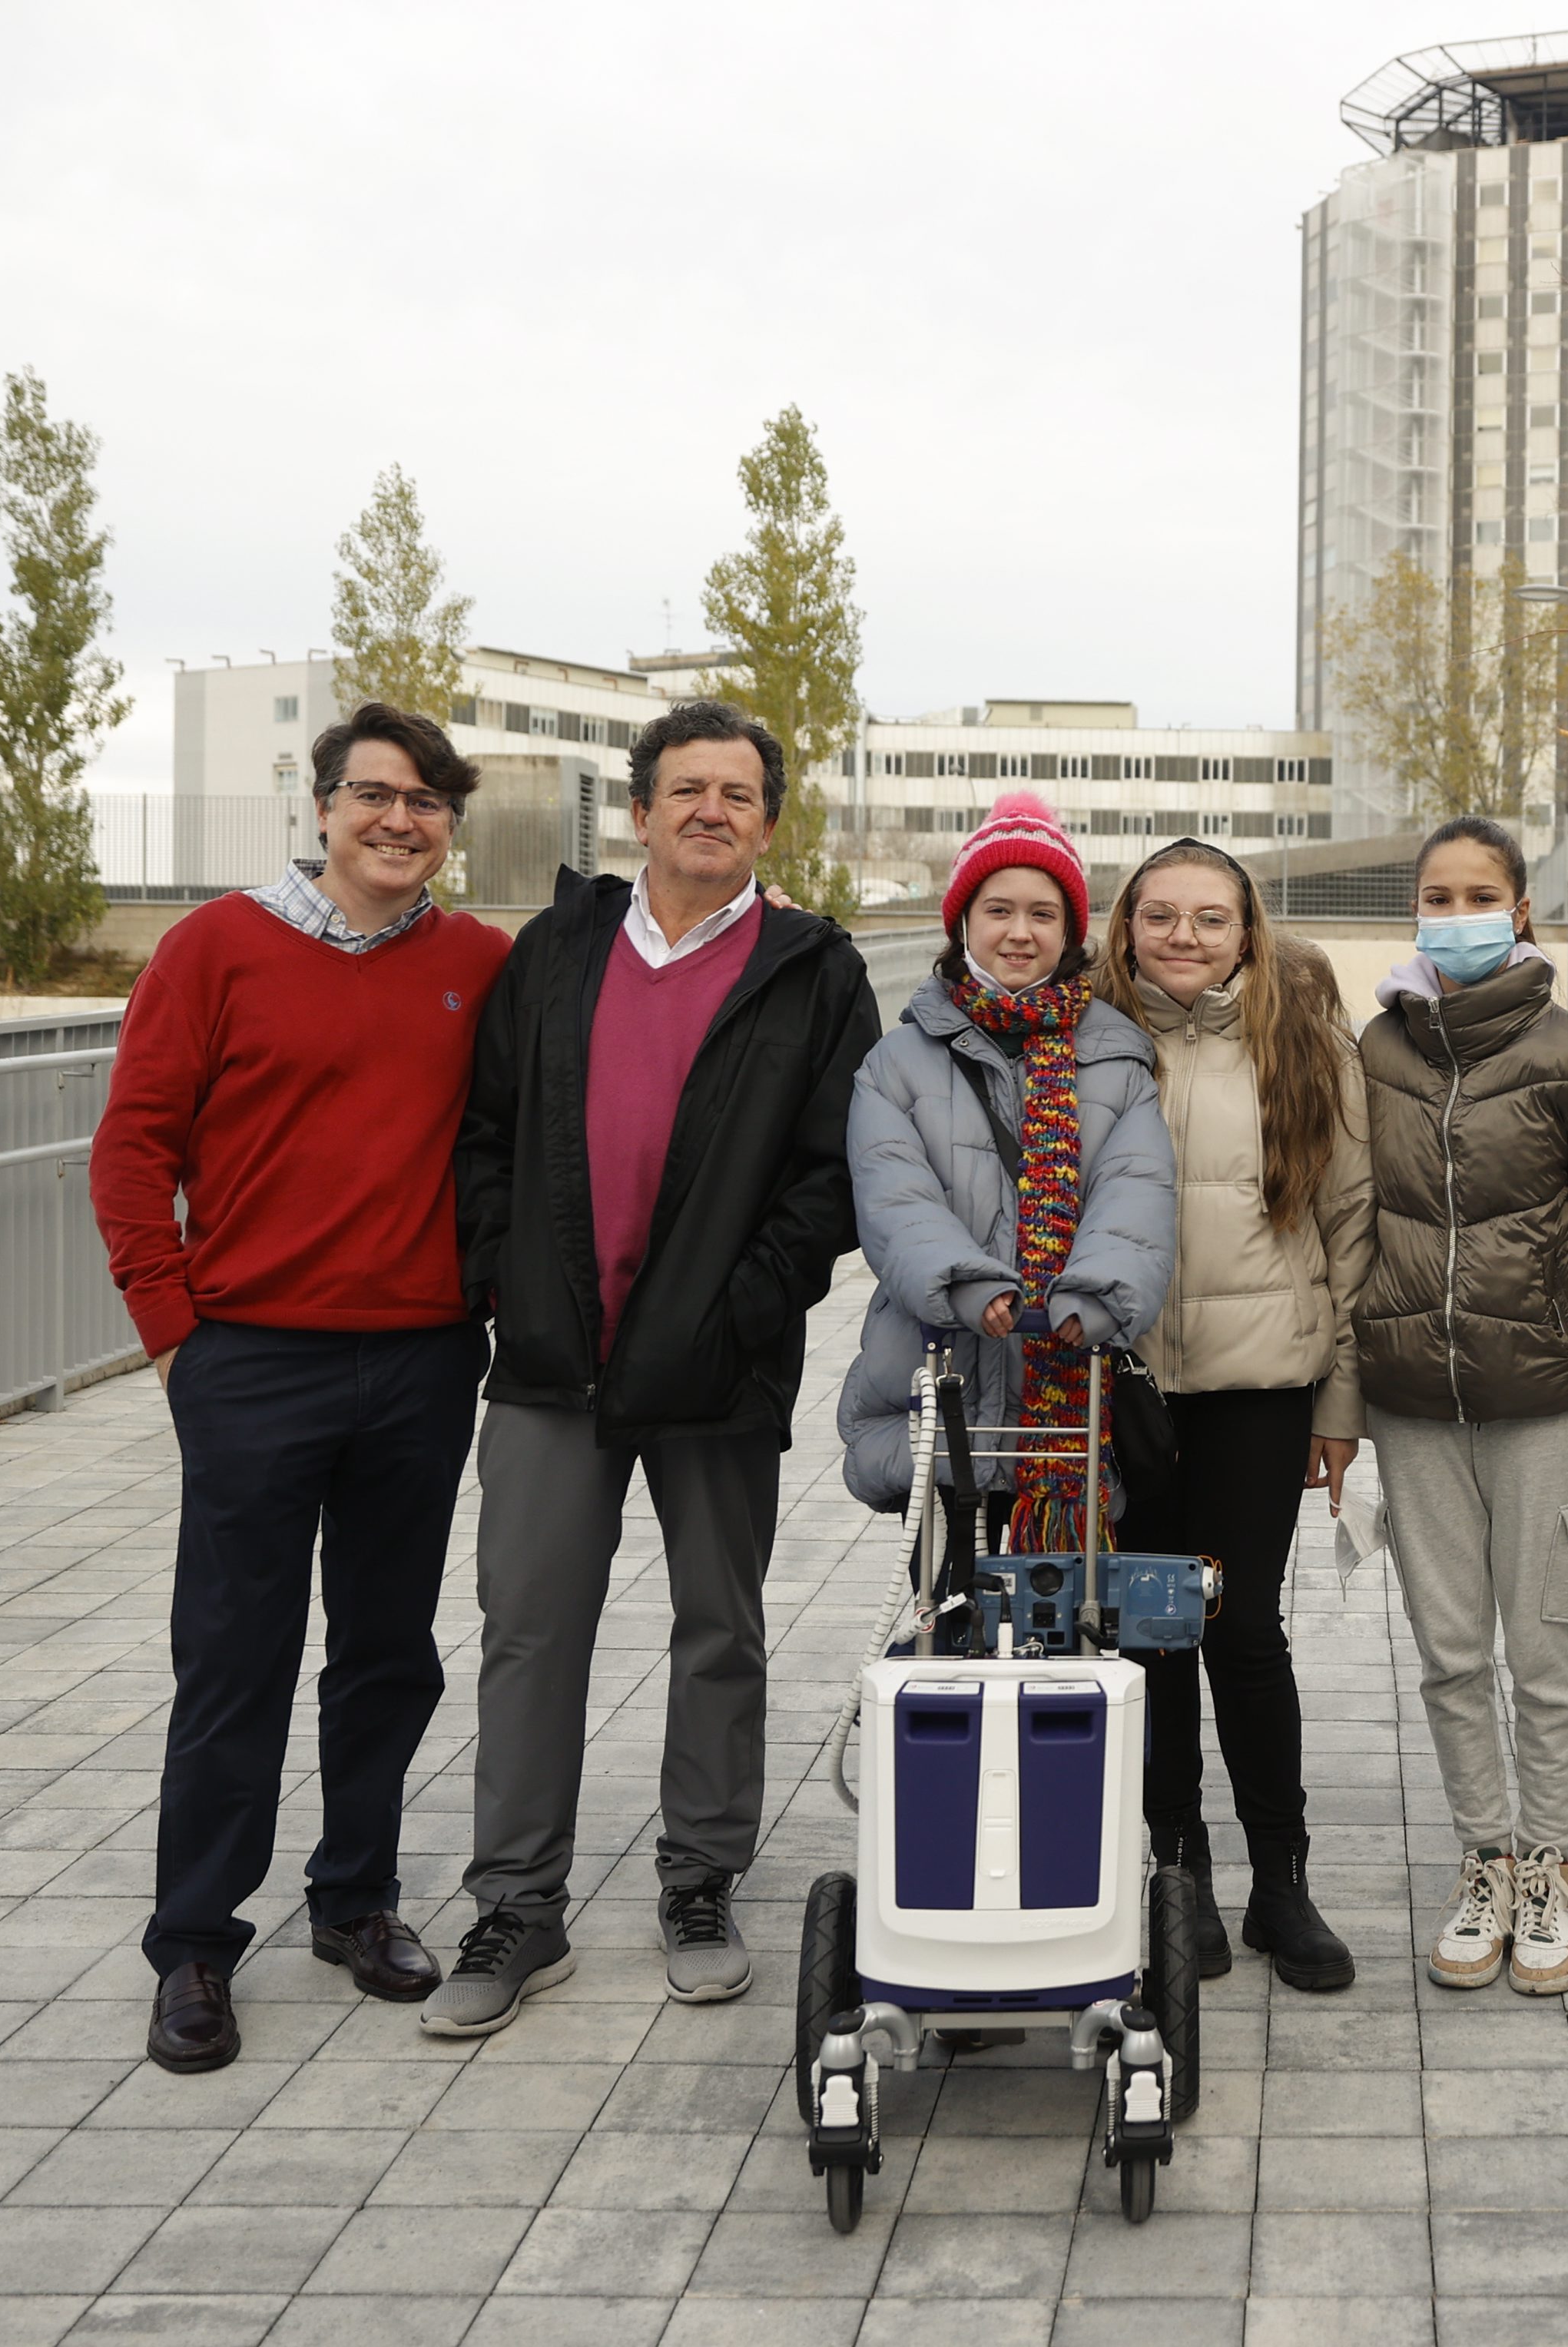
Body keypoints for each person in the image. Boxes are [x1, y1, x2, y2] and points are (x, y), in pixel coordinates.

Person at [424, 701, 879, 2036]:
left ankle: (700, 1881)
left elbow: (828, 1175)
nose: (711, 812)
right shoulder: (555, 951)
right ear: (641, 811)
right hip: (555, 1363)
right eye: (688, 789)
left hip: (716, 1366)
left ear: (768, 824)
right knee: (530, 1633)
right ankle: (516, 1906)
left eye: (739, 795)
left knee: (720, 1633)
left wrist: (741, 1309)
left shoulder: (812, 970)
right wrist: (504, 1285)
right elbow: (487, 1133)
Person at [90, 702, 509, 2072]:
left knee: (388, 1655)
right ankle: (196, 1942)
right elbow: (132, 1148)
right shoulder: (215, 948)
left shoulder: (479, 965)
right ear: (321, 807)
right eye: (376, 796)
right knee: (235, 1658)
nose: (401, 820)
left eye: (428, 802)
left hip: (423, 1360)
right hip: (252, 1360)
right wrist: (178, 1339)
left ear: (449, 825)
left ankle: (357, 1900)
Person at [1356, 815, 1568, 1996]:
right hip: (1412, 1402)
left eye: (1483, 891)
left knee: (1541, 1652)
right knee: (1445, 1653)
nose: (1459, 908)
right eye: (1439, 891)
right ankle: (1483, 1858)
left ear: (1522, 908)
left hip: (1543, 1405)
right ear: (1414, 907)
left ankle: (1548, 1864)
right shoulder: (1374, 1050)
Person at [1094, 838, 1374, 1989]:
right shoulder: (1091, 1041)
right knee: (1152, 1632)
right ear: (1126, 927)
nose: (1185, 938)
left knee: (1244, 1630)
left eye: (1212, 919)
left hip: (1263, 1383)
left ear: (1249, 932)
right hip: (1133, 1385)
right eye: (1161, 916)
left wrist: (1341, 1402)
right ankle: (1179, 1872)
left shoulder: (1306, 1043)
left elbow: (1352, 1223)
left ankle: (1280, 1880)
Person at [837, 784, 1175, 1696]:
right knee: (946, 1647)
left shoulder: (1116, 1054)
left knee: (1070, 1655)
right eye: (998, 910)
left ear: (1071, 929)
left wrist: (1091, 1296)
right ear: (963, 923)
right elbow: (893, 1195)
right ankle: (953, 1835)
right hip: (944, 1391)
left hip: (1068, 1409)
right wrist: (969, 1287)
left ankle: (1059, 1835)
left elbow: (1134, 1191)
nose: (1019, 932)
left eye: (1042, 912)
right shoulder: (897, 1061)